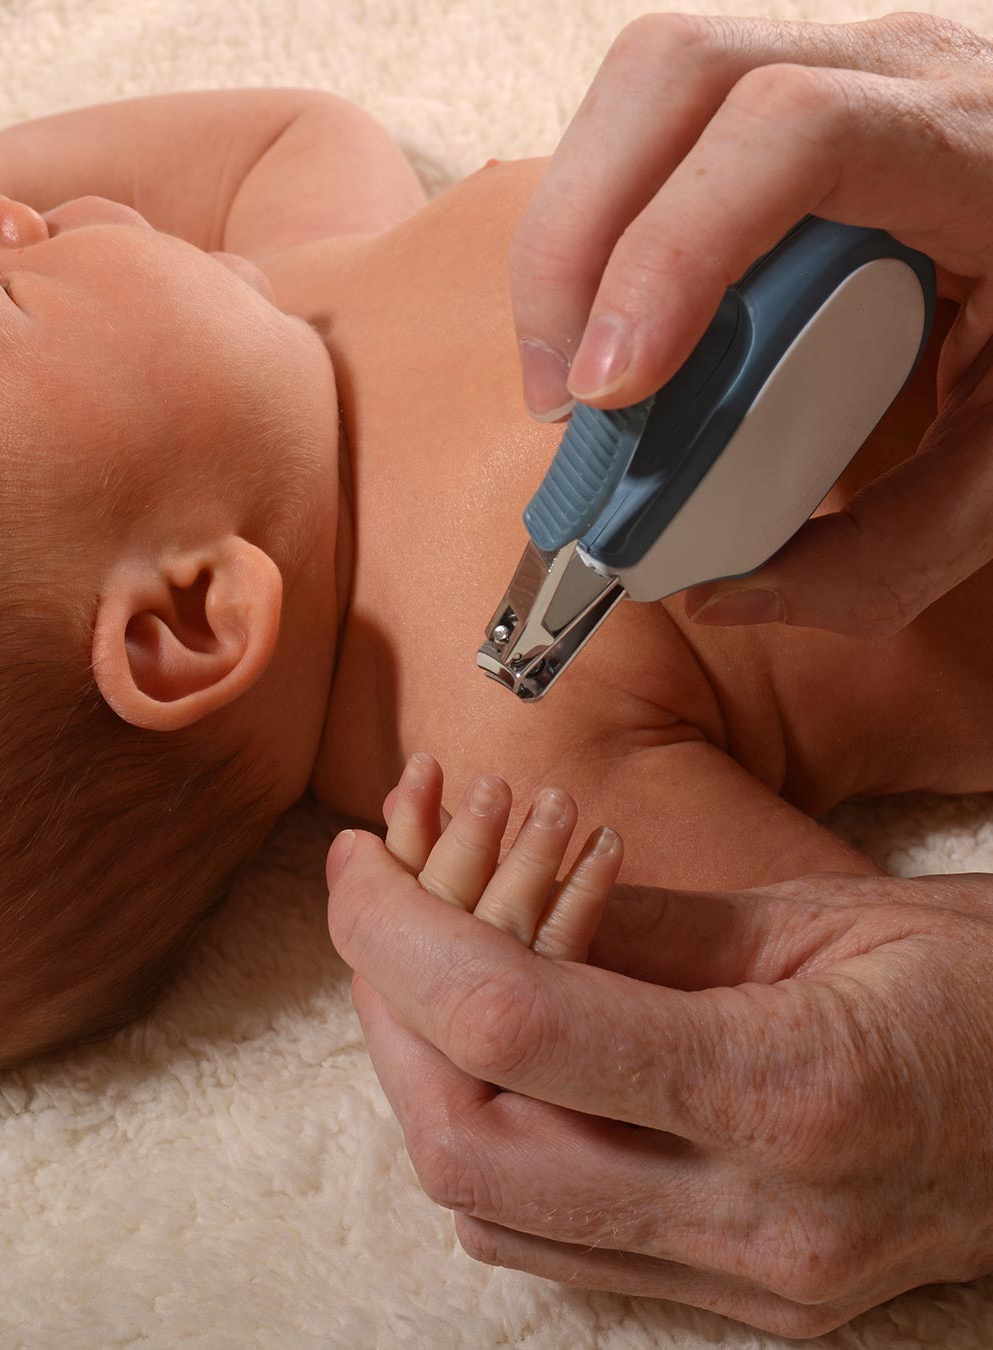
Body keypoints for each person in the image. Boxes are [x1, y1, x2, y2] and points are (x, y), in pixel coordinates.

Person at [324, 10, 993, 1339]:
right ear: (183, 617)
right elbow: (806, 1017)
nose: (12, 225)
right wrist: (531, 944)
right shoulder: (490, 745)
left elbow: (282, 135)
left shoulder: (288, 275)